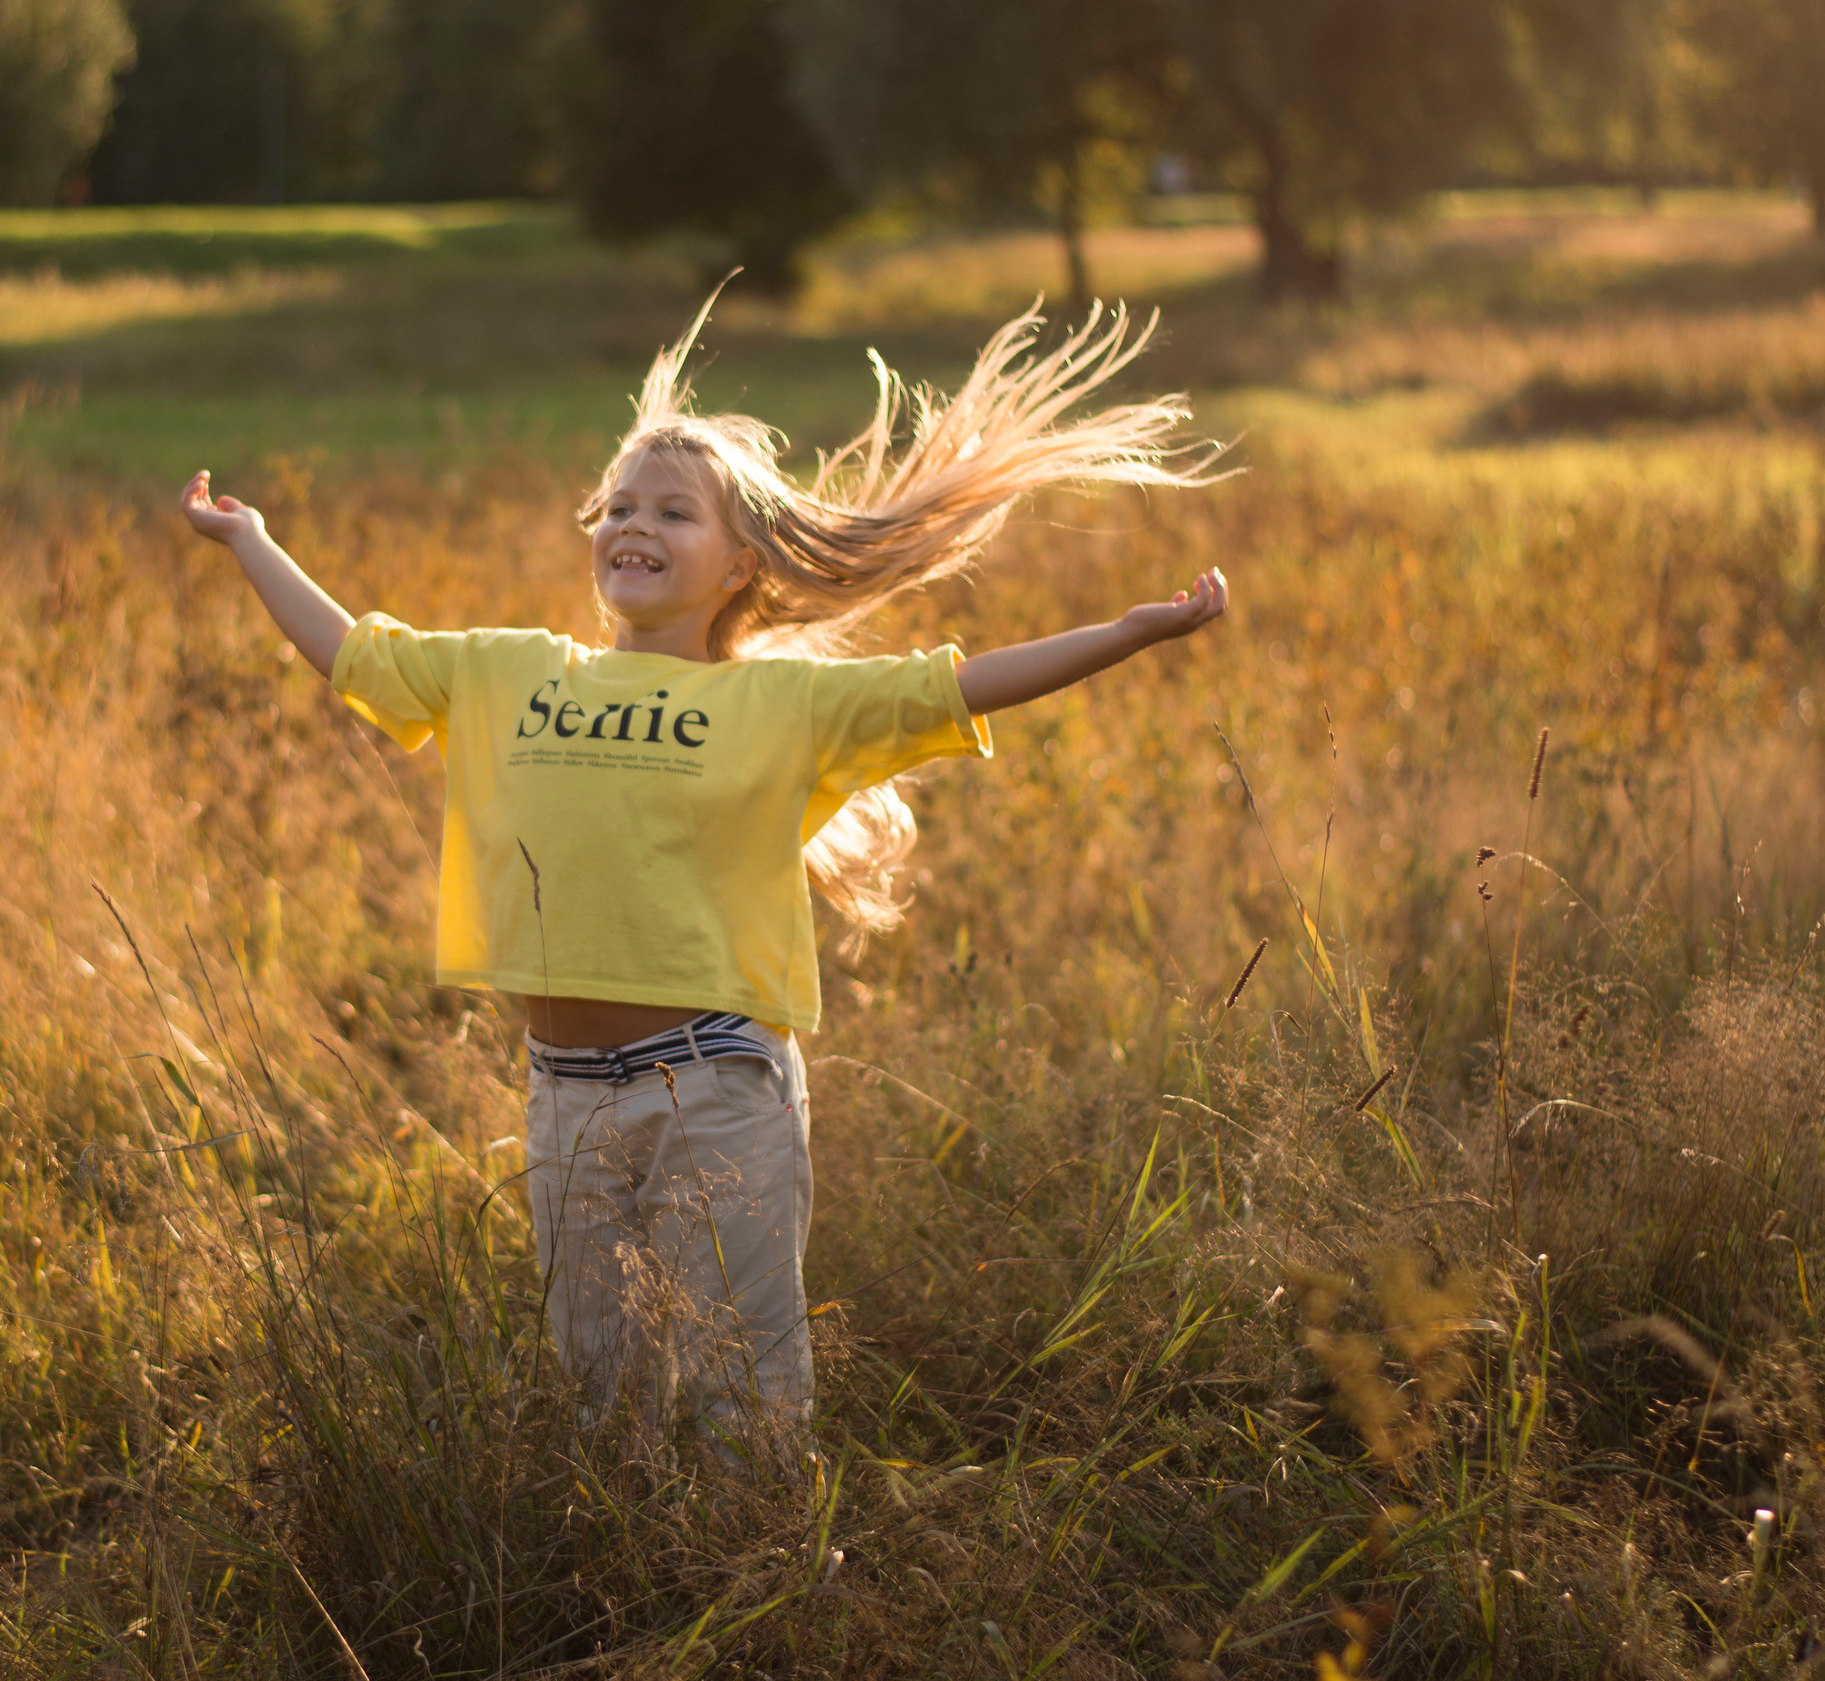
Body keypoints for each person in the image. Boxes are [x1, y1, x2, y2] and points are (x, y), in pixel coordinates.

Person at [181, 297, 1228, 1455]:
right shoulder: (511, 675)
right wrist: (251, 542)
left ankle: (756, 1590)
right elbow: (352, 652)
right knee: (597, 1390)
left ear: (737, 566)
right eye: (619, 505)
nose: (634, 523)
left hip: (715, 1088)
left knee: (742, 1382)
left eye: (673, 511)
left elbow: (958, 685)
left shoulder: (775, 706)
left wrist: (1130, 631)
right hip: (560, 1094)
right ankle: (637, 1592)